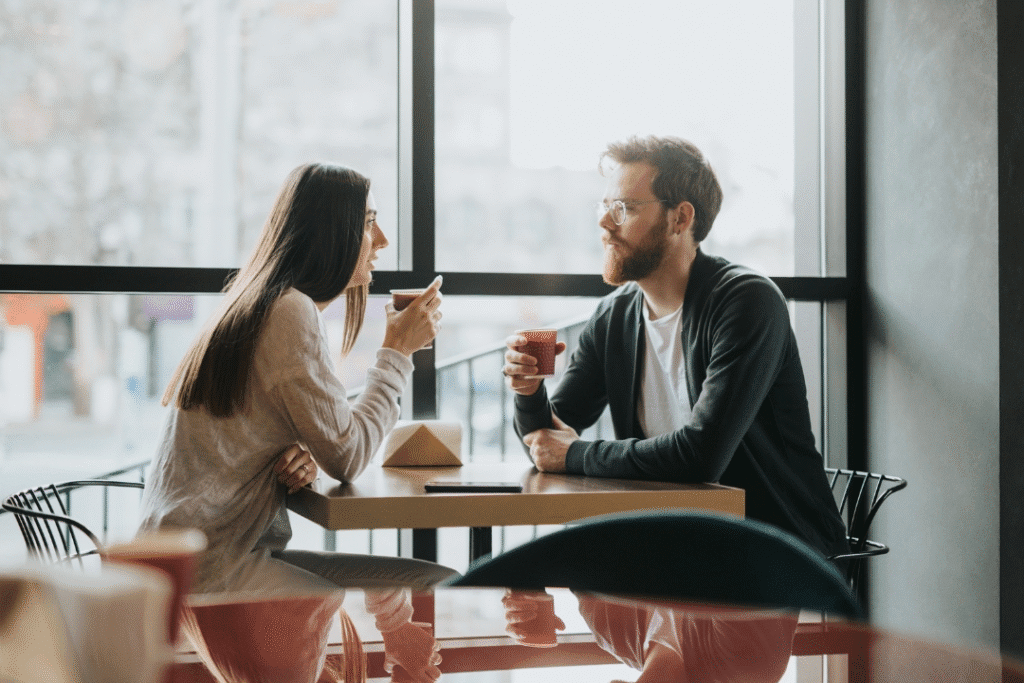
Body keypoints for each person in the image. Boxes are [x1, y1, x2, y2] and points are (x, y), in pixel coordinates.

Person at [139, 162, 455, 682]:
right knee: (441, 584)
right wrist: (397, 353)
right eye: (368, 221)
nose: (381, 239)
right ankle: (404, 646)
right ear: (331, 232)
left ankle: (399, 641)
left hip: (194, 560)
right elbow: (349, 457)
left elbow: (314, 434)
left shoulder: (257, 300)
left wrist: (299, 446)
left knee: (423, 580)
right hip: (220, 571)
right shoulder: (289, 312)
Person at [504, 135, 849, 562]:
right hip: (675, 545)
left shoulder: (747, 302)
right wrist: (529, 392)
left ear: (680, 218)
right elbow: (547, 443)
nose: (605, 223)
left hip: (776, 552)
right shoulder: (613, 317)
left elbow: (702, 456)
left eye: (624, 208)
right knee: (559, 582)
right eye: (604, 207)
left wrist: (576, 453)